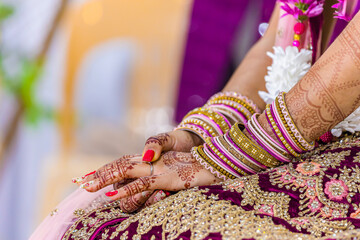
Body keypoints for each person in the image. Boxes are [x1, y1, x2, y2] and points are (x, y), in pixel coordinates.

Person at [31, 1, 360, 239]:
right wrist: (202, 132)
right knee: (103, 216)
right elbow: (280, 38)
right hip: (294, 134)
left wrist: (234, 152)